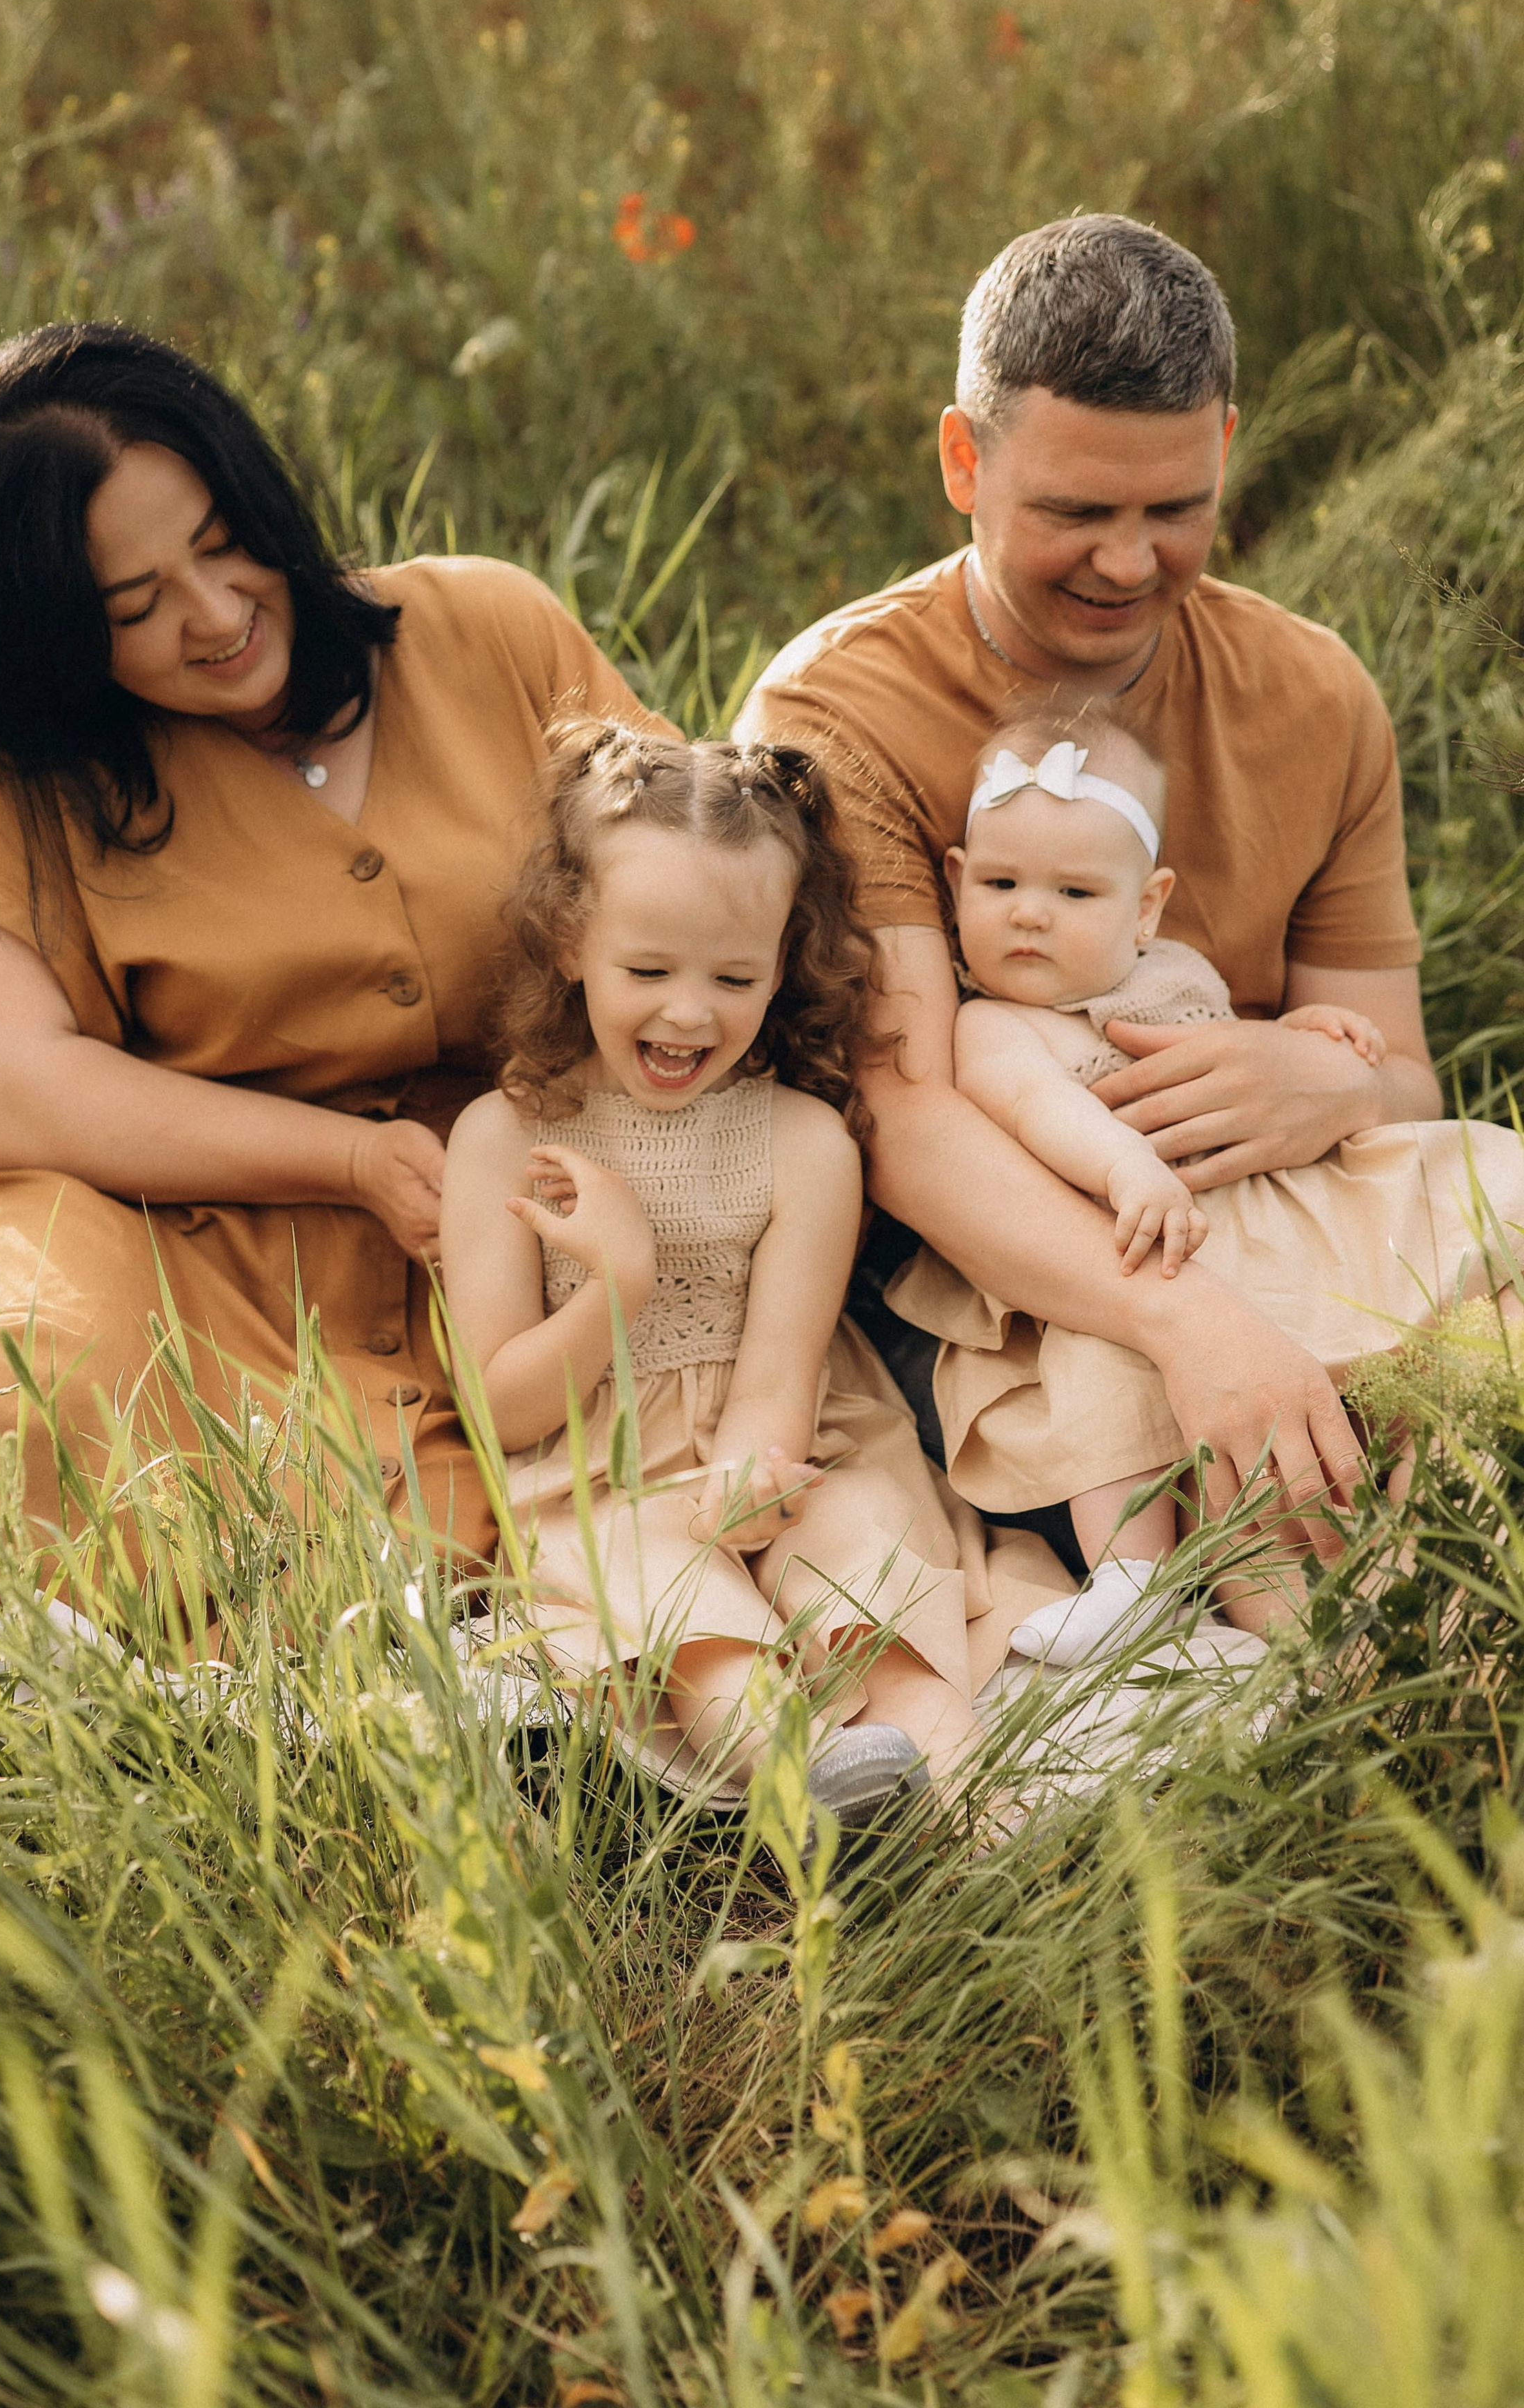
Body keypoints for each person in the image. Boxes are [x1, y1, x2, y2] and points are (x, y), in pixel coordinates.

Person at [0, 322, 669, 1613]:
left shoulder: (487, 628)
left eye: (222, 542)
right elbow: (6, 1090)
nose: (216, 615)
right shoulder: (27, 755)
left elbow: (694, 885)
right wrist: (348, 1161)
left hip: (484, 1228)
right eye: (132, 608)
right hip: (138, 1218)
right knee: (49, 1426)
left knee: (455, 1538)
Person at [735, 213, 1443, 1577]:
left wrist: (1334, 1087)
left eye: (1171, 510)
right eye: (1073, 512)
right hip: (998, 1274)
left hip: (1282, 1204)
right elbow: (903, 1114)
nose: (1127, 564)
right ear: (964, 461)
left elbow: (1399, 1072)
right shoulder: (835, 706)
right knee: (1275, 1509)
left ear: (1223, 447)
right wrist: (1193, 1329)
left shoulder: (1314, 695)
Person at [439, 723, 1074, 1811]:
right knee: (700, 1629)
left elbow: (782, 1372)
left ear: (784, 966)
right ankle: (812, 1793)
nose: (691, 1011)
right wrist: (618, 1284)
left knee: (866, 1595)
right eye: (647, 970)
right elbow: (500, 1411)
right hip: (602, 1484)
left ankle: (983, 1831)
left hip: (787, 1448)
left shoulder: (804, 1143)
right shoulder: (500, 1139)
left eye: (736, 976)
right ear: (567, 943)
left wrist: (749, 1484)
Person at [936, 705, 1524, 1657]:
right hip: (1116, 1241)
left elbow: (1235, 1053)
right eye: (1000, 882)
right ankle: (1136, 1575)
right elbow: (1043, 1111)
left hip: (1258, 1219)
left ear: (1147, 906)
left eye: (1076, 893)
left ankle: (1426, 1568)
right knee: (1103, 1379)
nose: (1031, 912)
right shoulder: (991, 1024)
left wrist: (1309, 1041)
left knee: (1457, 1199)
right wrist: (1127, 1168)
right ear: (958, 881)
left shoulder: (1171, 970)